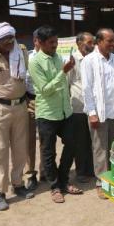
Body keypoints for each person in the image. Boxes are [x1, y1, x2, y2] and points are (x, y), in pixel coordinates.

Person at [29, 25, 82, 203]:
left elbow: (63, 84)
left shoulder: (59, 57)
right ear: (41, 43)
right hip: (47, 114)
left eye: (56, 42)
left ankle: (63, 179)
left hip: (64, 112)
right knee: (48, 152)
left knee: (72, 144)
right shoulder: (35, 62)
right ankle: (55, 186)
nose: (55, 45)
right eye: (51, 42)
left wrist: (65, 71)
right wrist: (64, 72)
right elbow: (45, 90)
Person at [0, 22, 34, 211]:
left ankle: (17, 185)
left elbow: (27, 78)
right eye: (5, 39)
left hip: (20, 106)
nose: (10, 42)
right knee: (0, 151)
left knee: (19, 148)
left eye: (11, 38)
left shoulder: (22, 52)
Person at [81, 28, 114, 199]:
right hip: (98, 112)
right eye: (110, 41)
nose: (113, 44)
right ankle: (101, 182)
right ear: (99, 42)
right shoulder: (89, 61)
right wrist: (92, 113)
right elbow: (87, 89)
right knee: (100, 148)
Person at [68, 32, 95, 182]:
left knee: (93, 140)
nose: (92, 46)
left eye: (93, 43)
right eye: (89, 43)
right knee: (81, 141)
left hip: (93, 107)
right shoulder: (72, 60)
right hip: (78, 107)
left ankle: (91, 169)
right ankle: (81, 172)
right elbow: (67, 83)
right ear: (79, 43)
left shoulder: (93, 59)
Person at [24, 28, 43, 190]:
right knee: (30, 140)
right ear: (35, 40)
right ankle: (31, 174)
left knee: (47, 140)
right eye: (40, 40)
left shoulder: (53, 58)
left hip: (47, 103)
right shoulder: (27, 58)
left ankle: (45, 170)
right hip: (30, 101)